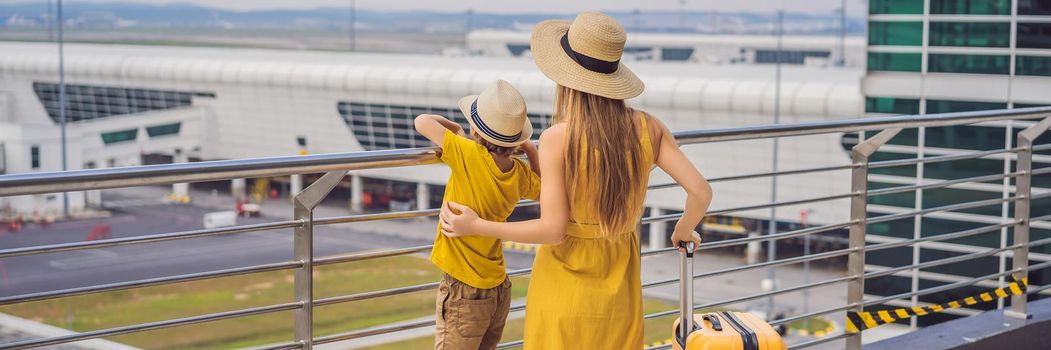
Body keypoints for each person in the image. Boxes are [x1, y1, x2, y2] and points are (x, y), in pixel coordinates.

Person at [438, 12, 713, 349]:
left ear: (566, 78)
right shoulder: (649, 127)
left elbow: (552, 230)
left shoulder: (558, 138)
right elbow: (700, 191)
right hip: (620, 281)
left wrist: (478, 225)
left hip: (564, 283)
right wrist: (683, 230)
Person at [415, 79, 541, 350]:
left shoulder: (466, 152)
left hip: (463, 289)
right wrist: (531, 151)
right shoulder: (518, 172)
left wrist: (455, 129)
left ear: (475, 132)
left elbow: (422, 121)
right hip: (497, 288)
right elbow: (543, 189)